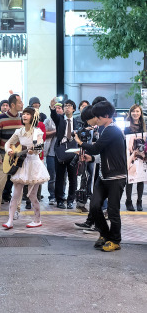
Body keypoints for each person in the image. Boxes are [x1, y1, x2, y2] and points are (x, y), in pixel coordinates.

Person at [74, 101, 126, 252]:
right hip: (104, 176)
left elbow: (96, 148)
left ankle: (115, 240)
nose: (96, 119)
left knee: (113, 210)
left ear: (107, 116)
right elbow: (106, 153)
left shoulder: (112, 130)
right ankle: (104, 234)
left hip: (116, 177)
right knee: (95, 206)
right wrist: (91, 159)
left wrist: (80, 143)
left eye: (98, 116)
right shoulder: (105, 129)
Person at [2, 107, 49, 229]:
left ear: (33, 117)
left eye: (28, 114)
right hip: (21, 164)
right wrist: (9, 150)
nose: (25, 116)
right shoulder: (19, 131)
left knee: (32, 195)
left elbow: (39, 148)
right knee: (15, 195)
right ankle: (10, 221)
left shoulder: (37, 132)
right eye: (24, 114)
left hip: (34, 164)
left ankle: (37, 219)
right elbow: (8, 143)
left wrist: (35, 150)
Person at [0, 94, 24, 219]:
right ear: (13, 105)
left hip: (19, 157)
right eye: (20, 102)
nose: (22, 104)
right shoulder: (0, 119)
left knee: (18, 184)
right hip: (4, 156)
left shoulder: (23, 119)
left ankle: (16, 209)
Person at [50, 98, 80, 209]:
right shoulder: (60, 119)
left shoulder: (77, 122)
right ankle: (60, 200)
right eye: (65, 106)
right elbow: (53, 116)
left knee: (73, 178)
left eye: (69, 106)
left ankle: (71, 200)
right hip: (60, 151)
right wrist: (52, 107)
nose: (67, 107)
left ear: (73, 109)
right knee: (59, 177)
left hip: (73, 151)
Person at [124, 104, 145, 211]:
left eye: (137, 111)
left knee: (141, 178)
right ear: (130, 113)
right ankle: (128, 201)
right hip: (129, 153)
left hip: (142, 155)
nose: (135, 113)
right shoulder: (126, 125)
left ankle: (139, 201)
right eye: (133, 111)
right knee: (130, 178)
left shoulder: (144, 125)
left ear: (140, 113)